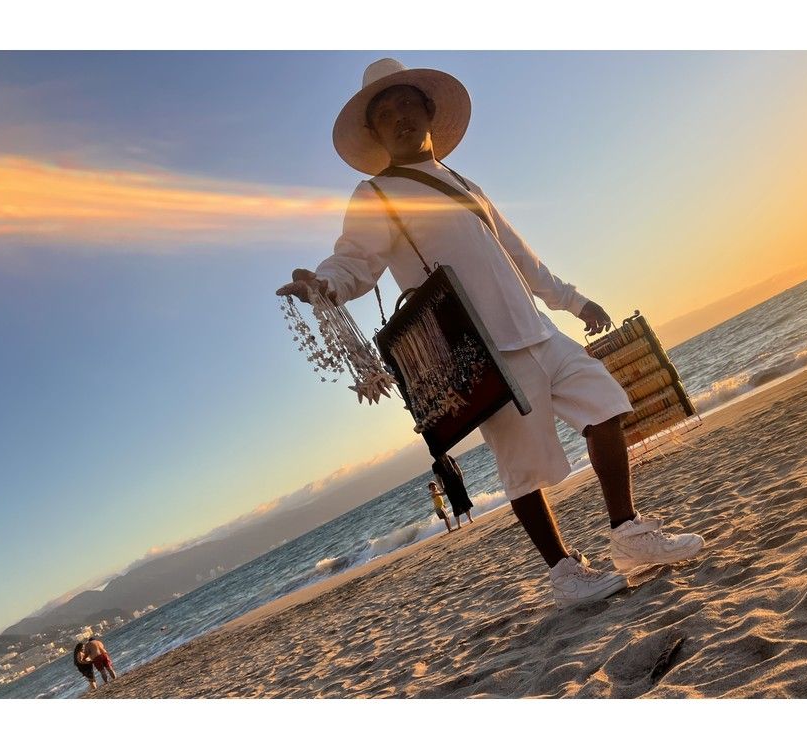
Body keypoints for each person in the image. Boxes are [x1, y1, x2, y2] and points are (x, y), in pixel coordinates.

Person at [277, 59, 705, 608]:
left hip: (536, 329)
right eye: (385, 114)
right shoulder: (376, 194)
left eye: (407, 104)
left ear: (429, 112)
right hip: (478, 348)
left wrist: (573, 302)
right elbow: (354, 262)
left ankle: (627, 533)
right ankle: (564, 572)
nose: (400, 118)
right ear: (376, 134)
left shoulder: (464, 183)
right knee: (523, 471)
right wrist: (323, 286)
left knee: (607, 405)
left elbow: (520, 255)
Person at [433, 454, 474, 528]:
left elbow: (438, 479)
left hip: (448, 485)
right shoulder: (448, 457)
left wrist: (443, 488)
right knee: (463, 499)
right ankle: (470, 519)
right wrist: (461, 479)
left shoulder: (435, 465)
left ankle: (459, 524)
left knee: (454, 503)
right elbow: (458, 469)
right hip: (457, 481)